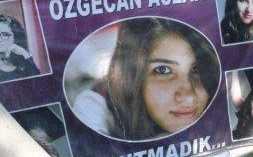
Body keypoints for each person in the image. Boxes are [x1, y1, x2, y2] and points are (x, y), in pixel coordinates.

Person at [74, 18, 218, 141]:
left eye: (196, 69)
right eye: (163, 70)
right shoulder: (94, 108)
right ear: (131, 77)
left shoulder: (220, 111)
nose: (189, 97)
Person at [0, 14, 41, 84]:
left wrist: (24, 53)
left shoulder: (25, 64)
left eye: (5, 35)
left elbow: (39, 84)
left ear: (16, 38)